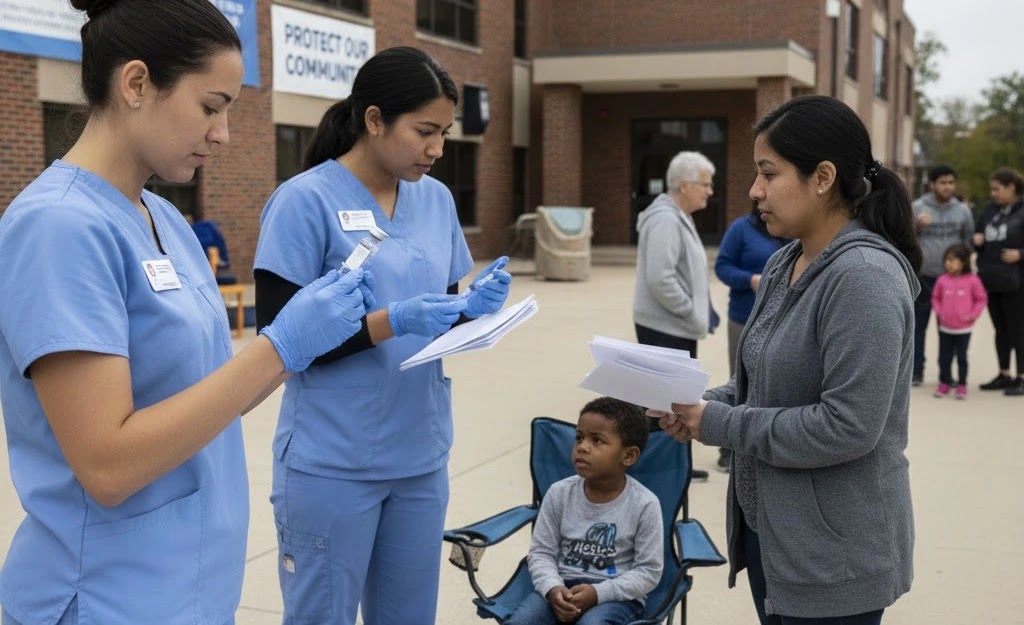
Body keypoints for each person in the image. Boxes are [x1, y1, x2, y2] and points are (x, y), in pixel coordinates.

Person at [0, 2, 373, 624]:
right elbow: (108, 465)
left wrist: (299, 343)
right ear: (137, 83)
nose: (223, 133)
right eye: (211, 106)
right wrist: (279, 347)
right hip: (105, 597)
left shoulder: (165, 219)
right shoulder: (58, 228)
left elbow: (206, 394)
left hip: (193, 587)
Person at [252, 47, 512, 625]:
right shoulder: (304, 203)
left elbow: (442, 312)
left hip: (419, 454)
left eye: (444, 133)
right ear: (374, 120)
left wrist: (475, 310)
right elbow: (279, 344)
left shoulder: (435, 200)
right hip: (333, 462)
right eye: (424, 131)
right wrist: (393, 320)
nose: (437, 150)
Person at [652, 95, 919, 624]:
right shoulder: (785, 262)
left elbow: (848, 427)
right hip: (775, 540)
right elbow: (760, 382)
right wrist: (697, 405)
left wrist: (720, 422)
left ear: (823, 176)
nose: (754, 191)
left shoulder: (863, 277)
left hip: (834, 561)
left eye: (768, 174)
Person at [505, 397, 664, 625]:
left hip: (615, 596)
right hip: (560, 586)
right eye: (579, 438)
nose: (582, 447)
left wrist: (598, 593)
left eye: (597, 440)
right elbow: (541, 553)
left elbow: (648, 571)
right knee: (521, 622)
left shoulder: (644, 504)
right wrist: (552, 588)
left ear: (628, 455)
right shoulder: (559, 493)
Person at [632, 150, 716, 480]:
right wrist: (690, 309)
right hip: (666, 326)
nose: (710, 191)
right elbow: (660, 278)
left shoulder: (677, 215)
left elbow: (684, 273)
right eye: (706, 184)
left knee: (673, 402)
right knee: (661, 405)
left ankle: (674, 466)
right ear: (684, 185)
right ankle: (660, 469)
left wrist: (702, 311)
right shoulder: (665, 219)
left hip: (676, 326)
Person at [713, 202, 788, 472]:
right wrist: (750, 280)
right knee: (741, 382)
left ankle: (760, 445)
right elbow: (722, 267)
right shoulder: (740, 230)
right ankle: (727, 449)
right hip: (744, 318)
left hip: (783, 321)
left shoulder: (790, 229)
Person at [911, 165, 974, 386]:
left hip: (951, 280)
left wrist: (963, 273)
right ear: (932, 184)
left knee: (949, 329)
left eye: (951, 182)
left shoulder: (963, 211)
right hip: (924, 277)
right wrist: (917, 226)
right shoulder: (917, 208)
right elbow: (904, 238)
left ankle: (946, 376)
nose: (948, 187)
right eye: (943, 182)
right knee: (918, 327)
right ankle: (916, 371)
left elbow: (967, 241)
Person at [973, 167, 1024, 395]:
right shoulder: (990, 210)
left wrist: (1020, 254)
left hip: (1017, 281)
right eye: (991, 189)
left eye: (997, 189)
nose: (993, 193)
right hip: (992, 278)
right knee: (1000, 329)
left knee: (1018, 330)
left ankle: (1021, 377)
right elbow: (978, 234)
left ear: (1011, 187)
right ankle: (1003, 373)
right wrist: (977, 240)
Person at [930, 243, 987, 399]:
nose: (948, 263)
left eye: (952, 260)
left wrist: (972, 316)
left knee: (962, 358)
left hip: (963, 330)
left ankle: (962, 385)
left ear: (963, 262)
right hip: (945, 328)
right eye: (946, 260)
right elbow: (935, 298)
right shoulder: (942, 280)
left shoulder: (973, 281)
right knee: (944, 358)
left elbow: (981, 299)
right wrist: (940, 313)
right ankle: (944, 383)